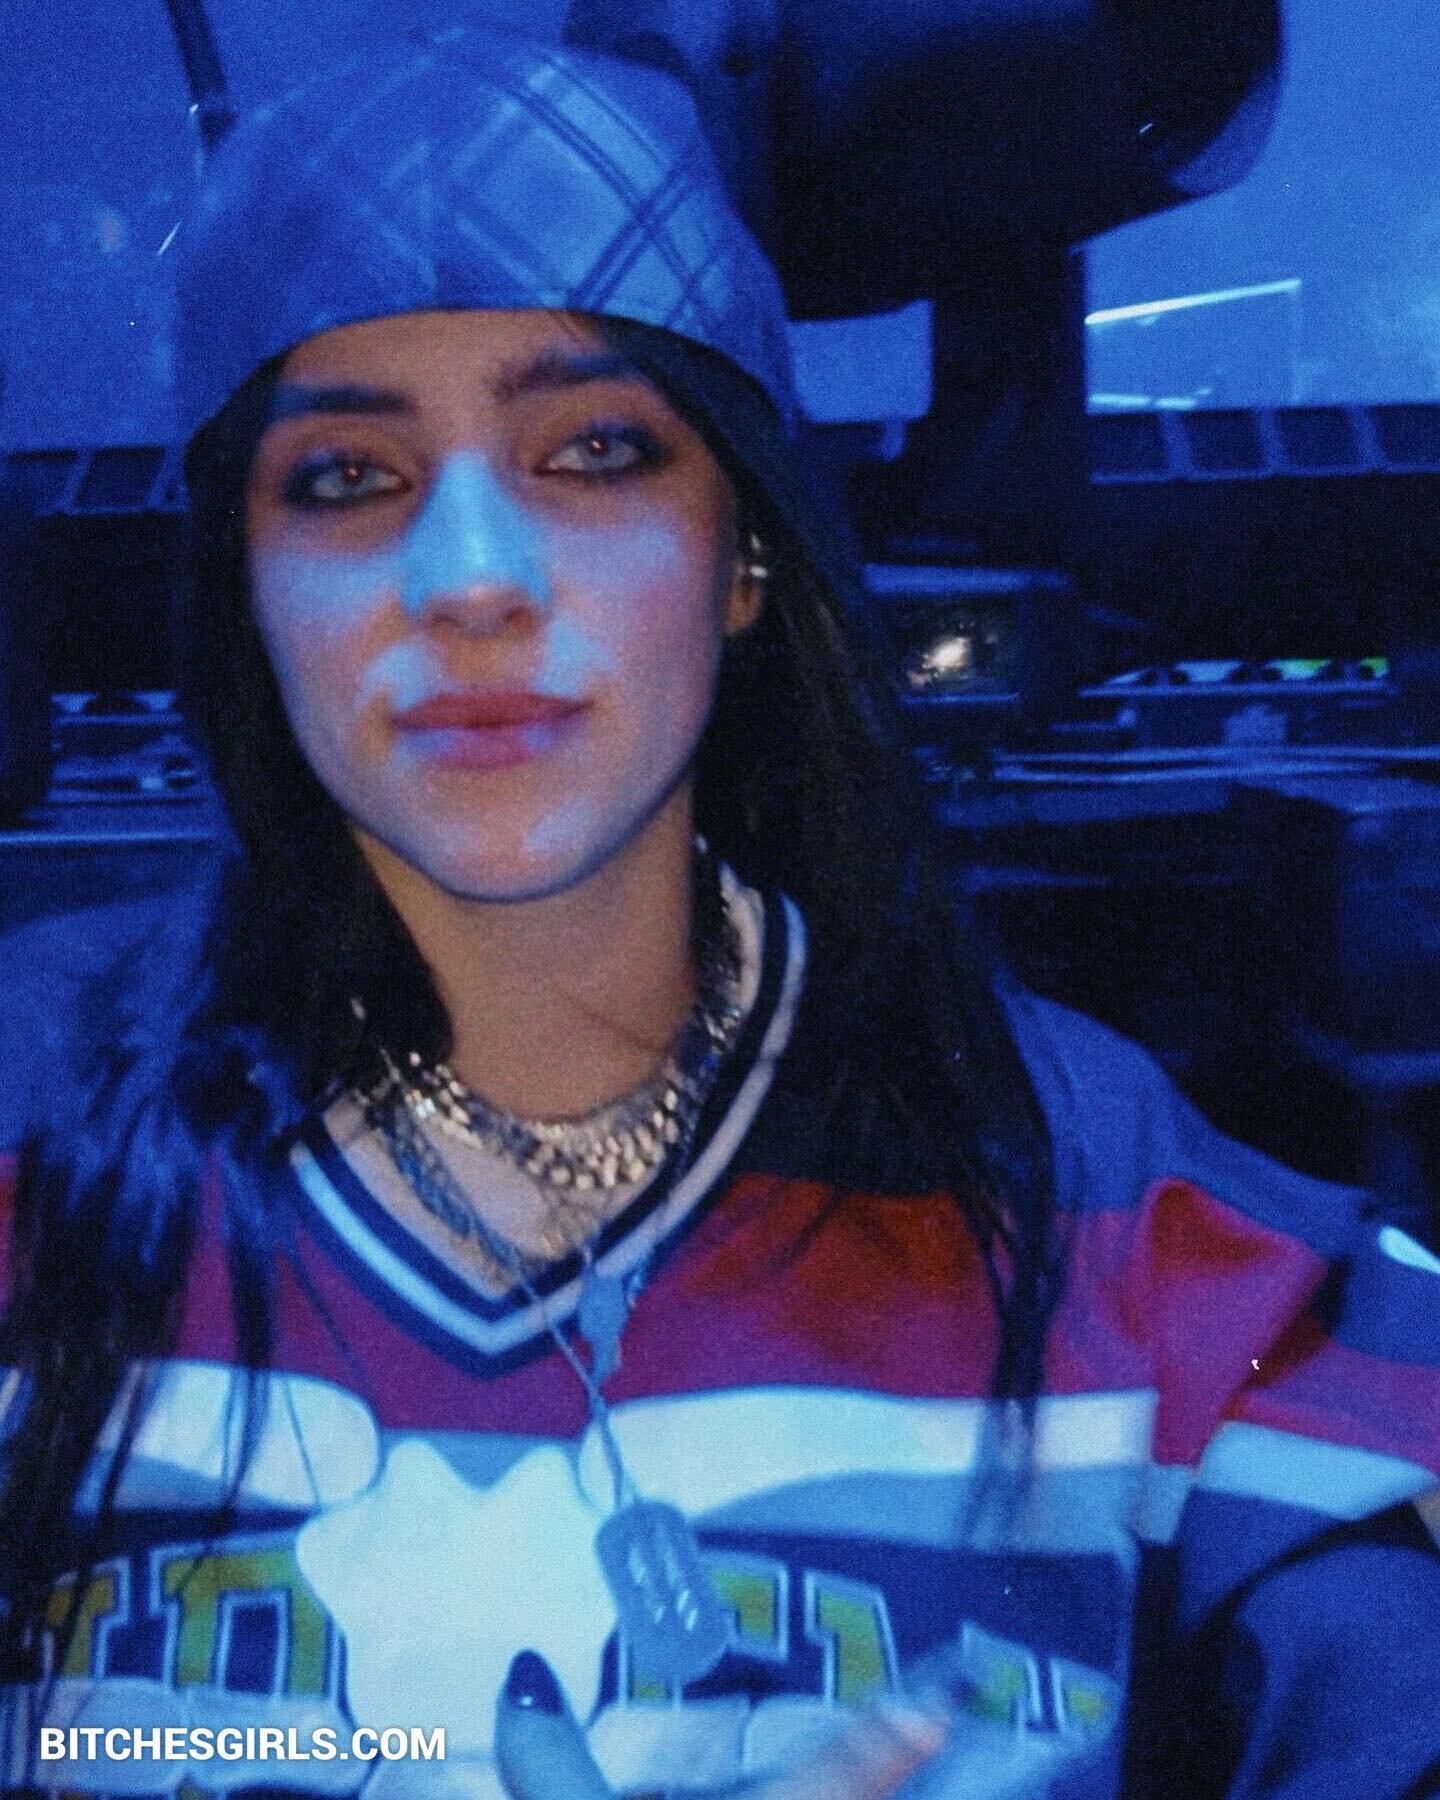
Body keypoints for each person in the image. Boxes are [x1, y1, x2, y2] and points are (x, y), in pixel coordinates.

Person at [2, 26, 1440, 1800]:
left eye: (595, 451)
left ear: (745, 550)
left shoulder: (1129, 1232)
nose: (471, 581)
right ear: (246, 576)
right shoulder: (28, 1135)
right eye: (346, 478)